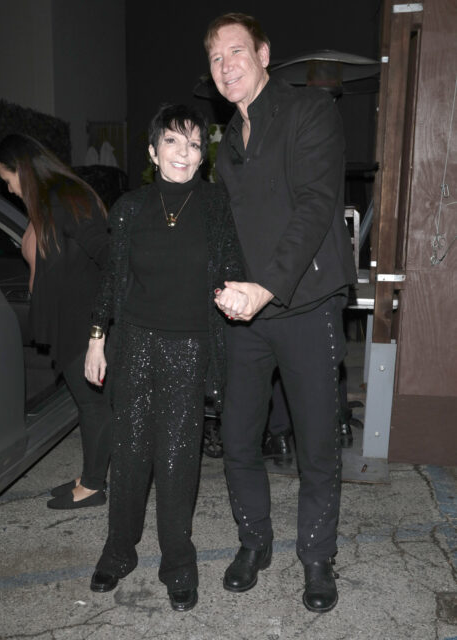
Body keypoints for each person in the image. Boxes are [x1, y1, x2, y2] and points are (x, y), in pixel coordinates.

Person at [205, 13, 357, 612]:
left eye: (236, 52)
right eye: (216, 59)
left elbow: (316, 206)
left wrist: (265, 286)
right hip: (245, 312)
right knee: (239, 436)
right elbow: (229, 230)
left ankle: (317, 558)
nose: (226, 67)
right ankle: (254, 542)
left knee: (315, 441)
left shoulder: (309, 112)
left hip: (307, 303)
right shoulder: (228, 146)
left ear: (264, 53)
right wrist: (219, 285)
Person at [84, 104, 246, 612]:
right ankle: (119, 550)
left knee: (177, 459)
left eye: (195, 144)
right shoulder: (130, 207)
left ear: (203, 157)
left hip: (190, 345)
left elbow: (234, 265)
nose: (184, 153)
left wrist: (235, 292)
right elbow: (112, 277)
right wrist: (96, 336)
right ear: (154, 152)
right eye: (173, 142)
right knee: (130, 452)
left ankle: (177, 561)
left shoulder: (218, 205)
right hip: (134, 342)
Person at [0, 134, 112, 510]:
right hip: (69, 321)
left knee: (93, 407)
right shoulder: (48, 201)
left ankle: (94, 485)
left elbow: (108, 253)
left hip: (82, 322)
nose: (9, 189)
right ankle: (91, 473)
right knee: (87, 403)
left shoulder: (63, 197)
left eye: (8, 180)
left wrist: (99, 326)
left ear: (22, 170)